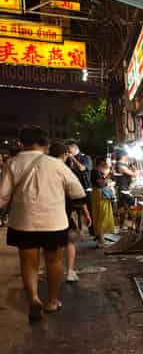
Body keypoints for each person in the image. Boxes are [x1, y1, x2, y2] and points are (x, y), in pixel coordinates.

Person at [0, 126, 86, 322]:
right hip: (53, 222)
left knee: (28, 263)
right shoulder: (56, 164)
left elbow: (2, 198)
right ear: (46, 144)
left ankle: (33, 299)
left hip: (23, 222)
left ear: (22, 143)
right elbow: (78, 191)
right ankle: (53, 301)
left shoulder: (12, 163)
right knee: (54, 261)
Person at [50, 142, 92, 282]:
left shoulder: (40, 167)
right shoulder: (65, 169)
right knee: (69, 241)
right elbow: (77, 194)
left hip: (45, 212)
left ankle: (51, 272)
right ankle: (69, 272)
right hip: (63, 210)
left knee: (50, 245)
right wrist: (86, 213)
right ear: (65, 155)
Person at [90, 158, 116, 247]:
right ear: (102, 163)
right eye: (107, 162)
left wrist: (108, 176)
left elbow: (102, 180)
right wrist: (109, 184)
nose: (108, 164)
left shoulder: (97, 171)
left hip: (99, 195)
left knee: (100, 216)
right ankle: (101, 241)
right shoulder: (96, 171)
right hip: (100, 195)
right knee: (102, 216)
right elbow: (101, 183)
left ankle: (101, 239)